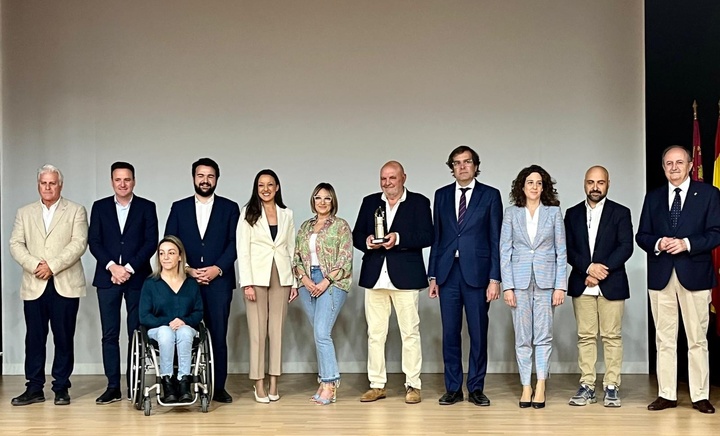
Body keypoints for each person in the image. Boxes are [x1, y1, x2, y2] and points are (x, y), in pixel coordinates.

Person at [636, 145, 720, 414]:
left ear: (690, 165)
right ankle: (666, 394)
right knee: (664, 339)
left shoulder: (709, 194)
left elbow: (717, 232)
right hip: (661, 276)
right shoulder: (653, 197)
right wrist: (659, 242)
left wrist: (686, 243)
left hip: (694, 275)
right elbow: (642, 236)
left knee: (697, 339)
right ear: (663, 167)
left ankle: (699, 395)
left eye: (679, 162)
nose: (674, 167)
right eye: (668, 163)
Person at [353, 161, 433, 404]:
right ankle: (377, 385)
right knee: (375, 334)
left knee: (410, 333)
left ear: (403, 178)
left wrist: (398, 238)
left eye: (392, 178)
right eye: (383, 178)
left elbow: (428, 235)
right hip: (375, 277)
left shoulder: (419, 202)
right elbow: (356, 235)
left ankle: (413, 385)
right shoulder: (370, 202)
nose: (387, 183)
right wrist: (367, 241)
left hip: (406, 278)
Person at [428, 145, 502, 407]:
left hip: (478, 275)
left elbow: (496, 240)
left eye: (467, 162)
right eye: (457, 163)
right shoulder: (441, 195)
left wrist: (495, 279)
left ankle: (476, 387)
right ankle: (453, 388)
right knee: (450, 333)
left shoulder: (490, 195)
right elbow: (438, 239)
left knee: (478, 333)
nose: (462, 166)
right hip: (448, 274)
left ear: (475, 165)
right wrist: (433, 276)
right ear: (452, 168)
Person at [9, 164, 88, 406]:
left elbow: (79, 243)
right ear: (38, 185)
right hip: (34, 283)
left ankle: (61, 388)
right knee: (34, 338)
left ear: (60, 185)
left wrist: (51, 266)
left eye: (52, 183)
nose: (48, 187)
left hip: (64, 282)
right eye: (44, 183)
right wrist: (36, 265)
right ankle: (34, 388)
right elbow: (15, 244)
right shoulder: (24, 212)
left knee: (64, 338)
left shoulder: (76, 210)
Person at [165, 157, 240, 403]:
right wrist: (186, 268)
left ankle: (218, 387)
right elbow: (169, 242)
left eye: (210, 176)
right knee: (179, 332)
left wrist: (217, 269)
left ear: (216, 179)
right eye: (200, 176)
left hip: (219, 282)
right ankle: (177, 386)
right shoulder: (179, 207)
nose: (205, 180)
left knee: (218, 335)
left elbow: (235, 243)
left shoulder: (230, 208)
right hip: (184, 283)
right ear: (193, 178)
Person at [88, 161, 158, 404]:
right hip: (107, 277)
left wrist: (127, 268)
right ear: (112, 181)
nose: (122, 183)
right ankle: (112, 387)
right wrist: (113, 267)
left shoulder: (147, 207)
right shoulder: (99, 207)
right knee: (109, 334)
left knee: (136, 332)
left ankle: (134, 384)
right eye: (118, 179)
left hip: (137, 277)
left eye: (127, 179)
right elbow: (94, 241)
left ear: (134, 181)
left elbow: (151, 242)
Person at [564, 166, 633, 407]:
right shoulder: (572, 214)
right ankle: (587, 385)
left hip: (611, 283)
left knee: (612, 336)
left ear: (608, 184)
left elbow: (626, 247)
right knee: (585, 336)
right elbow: (568, 249)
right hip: (582, 283)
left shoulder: (621, 212)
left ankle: (612, 386)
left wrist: (600, 271)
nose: (595, 187)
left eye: (600, 182)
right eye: (591, 182)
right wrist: (588, 268)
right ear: (584, 183)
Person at [500, 164, 567, 409]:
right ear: (522, 186)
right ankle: (525, 385)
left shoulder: (553, 213)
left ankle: (540, 384)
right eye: (530, 182)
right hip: (518, 283)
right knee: (522, 338)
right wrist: (507, 286)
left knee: (543, 336)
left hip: (547, 282)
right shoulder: (511, 214)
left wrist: (561, 286)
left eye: (539, 183)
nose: (534, 187)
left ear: (544, 187)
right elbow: (504, 251)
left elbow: (561, 251)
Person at [238, 169, 298, 403]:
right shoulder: (248, 213)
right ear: (257, 188)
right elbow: (243, 250)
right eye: (261, 185)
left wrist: (292, 282)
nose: (266, 189)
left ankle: (274, 380)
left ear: (277, 187)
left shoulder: (287, 214)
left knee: (277, 331)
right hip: (256, 277)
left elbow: (291, 249)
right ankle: (258, 382)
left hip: (281, 276)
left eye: (270, 184)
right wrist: (247, 283)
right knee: (258, 332)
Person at [294, 183, 353, 405]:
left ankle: (330, 383)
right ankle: (323, 382)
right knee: (318, 334)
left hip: (333, 282)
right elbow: (297, 257)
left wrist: (326, 281)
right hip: (307, 282)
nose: (322, 202)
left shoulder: (341, 226)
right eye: (318, 198)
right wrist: (306, 280)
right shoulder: (305, 227)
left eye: (327, 198)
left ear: (333, 201)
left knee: (321, 333)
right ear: (313, 201)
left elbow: (345, 258)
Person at [139, 236, 203, 404]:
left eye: (171, 253)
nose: (165, 257)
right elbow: (144, 316)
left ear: (180, 256)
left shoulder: (191, 284)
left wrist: (183, 320)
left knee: (183, 331)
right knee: (167, 332)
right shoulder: (151, 283)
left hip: (185, 327)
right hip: (158, 329)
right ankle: (167, 382)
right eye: (162, 253)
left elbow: (198, 313)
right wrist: (169, 322)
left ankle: (184, 382)